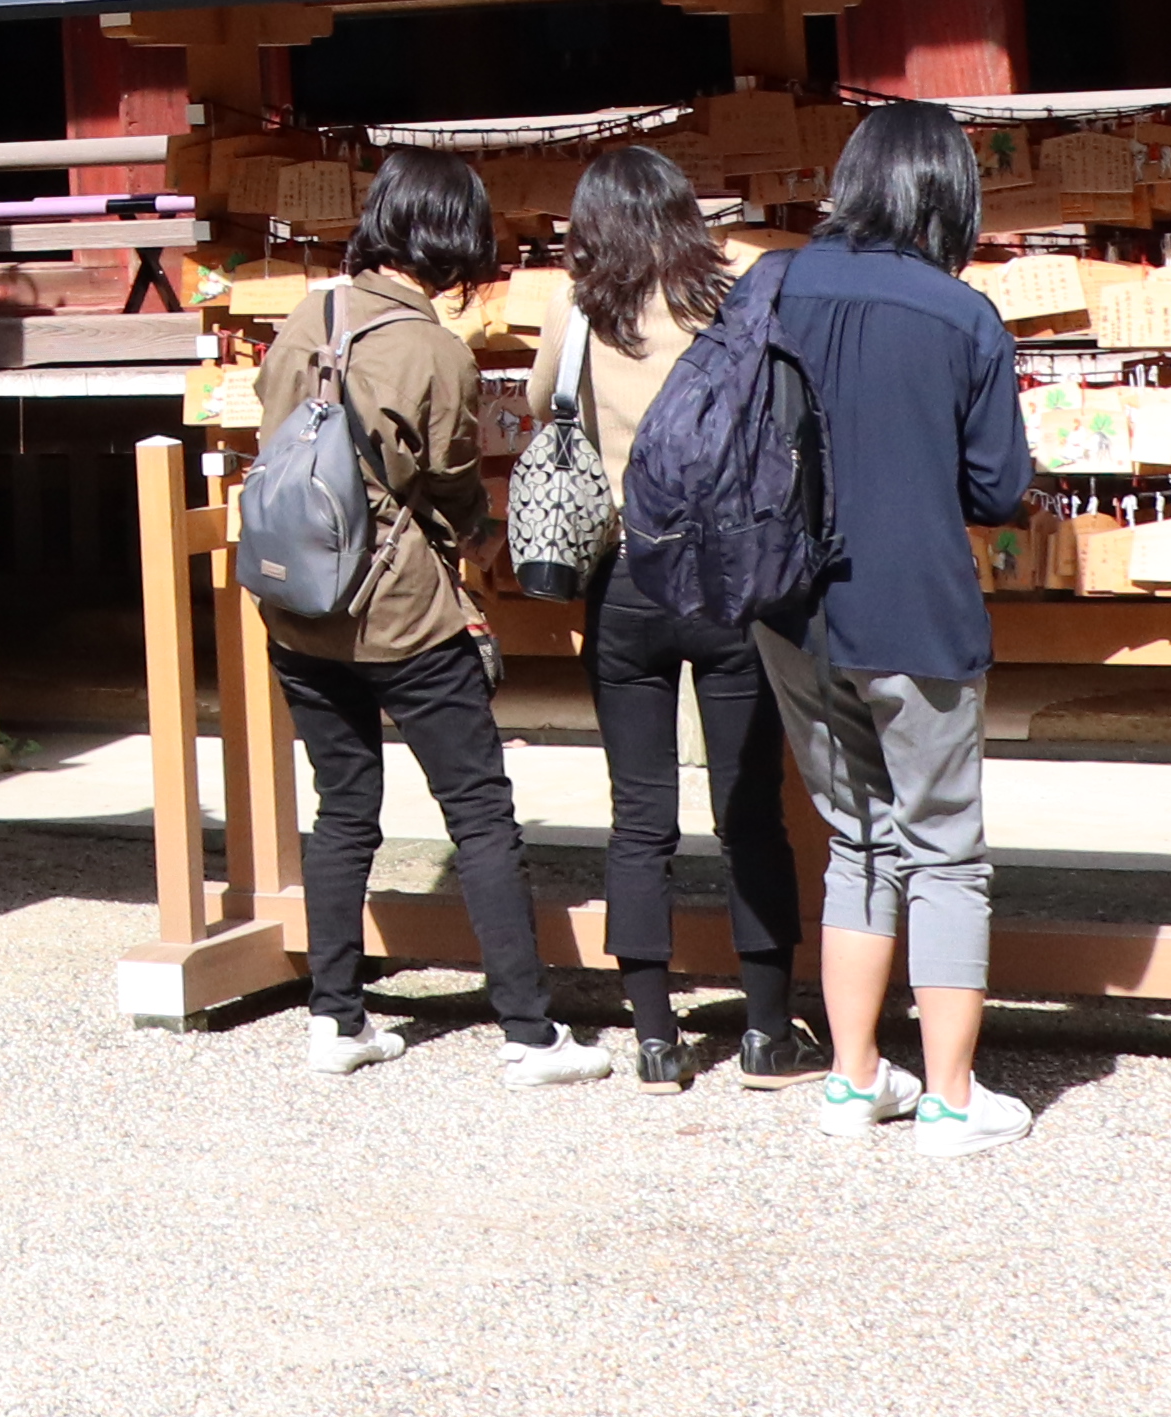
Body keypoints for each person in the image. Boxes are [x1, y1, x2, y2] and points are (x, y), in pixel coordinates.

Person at [256, 149, 609, 1083]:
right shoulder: (433, 351)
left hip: (298, 609)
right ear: (452, 238)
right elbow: (447, 481)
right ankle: (530, 1035)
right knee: (480, 816)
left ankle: (336, 1020)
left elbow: (274, 436)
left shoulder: (304, 319)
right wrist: (485, 535)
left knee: (344, 810)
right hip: (403, 614)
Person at [761, 102, 1041, 1156]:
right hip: (915, 610)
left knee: (856, 837)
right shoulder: (959, 315)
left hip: (791, 610)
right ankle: (952, 1096)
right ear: (946, 193)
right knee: (946, 849)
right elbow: (997, 486)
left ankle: (851, 1078)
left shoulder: (774, 285)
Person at [558, 140, 809, 1088]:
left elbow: (554, 411)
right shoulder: (732, 299)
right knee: (750, 810)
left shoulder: (574, 311)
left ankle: (656, 1038)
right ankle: (765, 1030)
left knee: (639, 817)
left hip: (626, 577)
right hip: (728, 580)